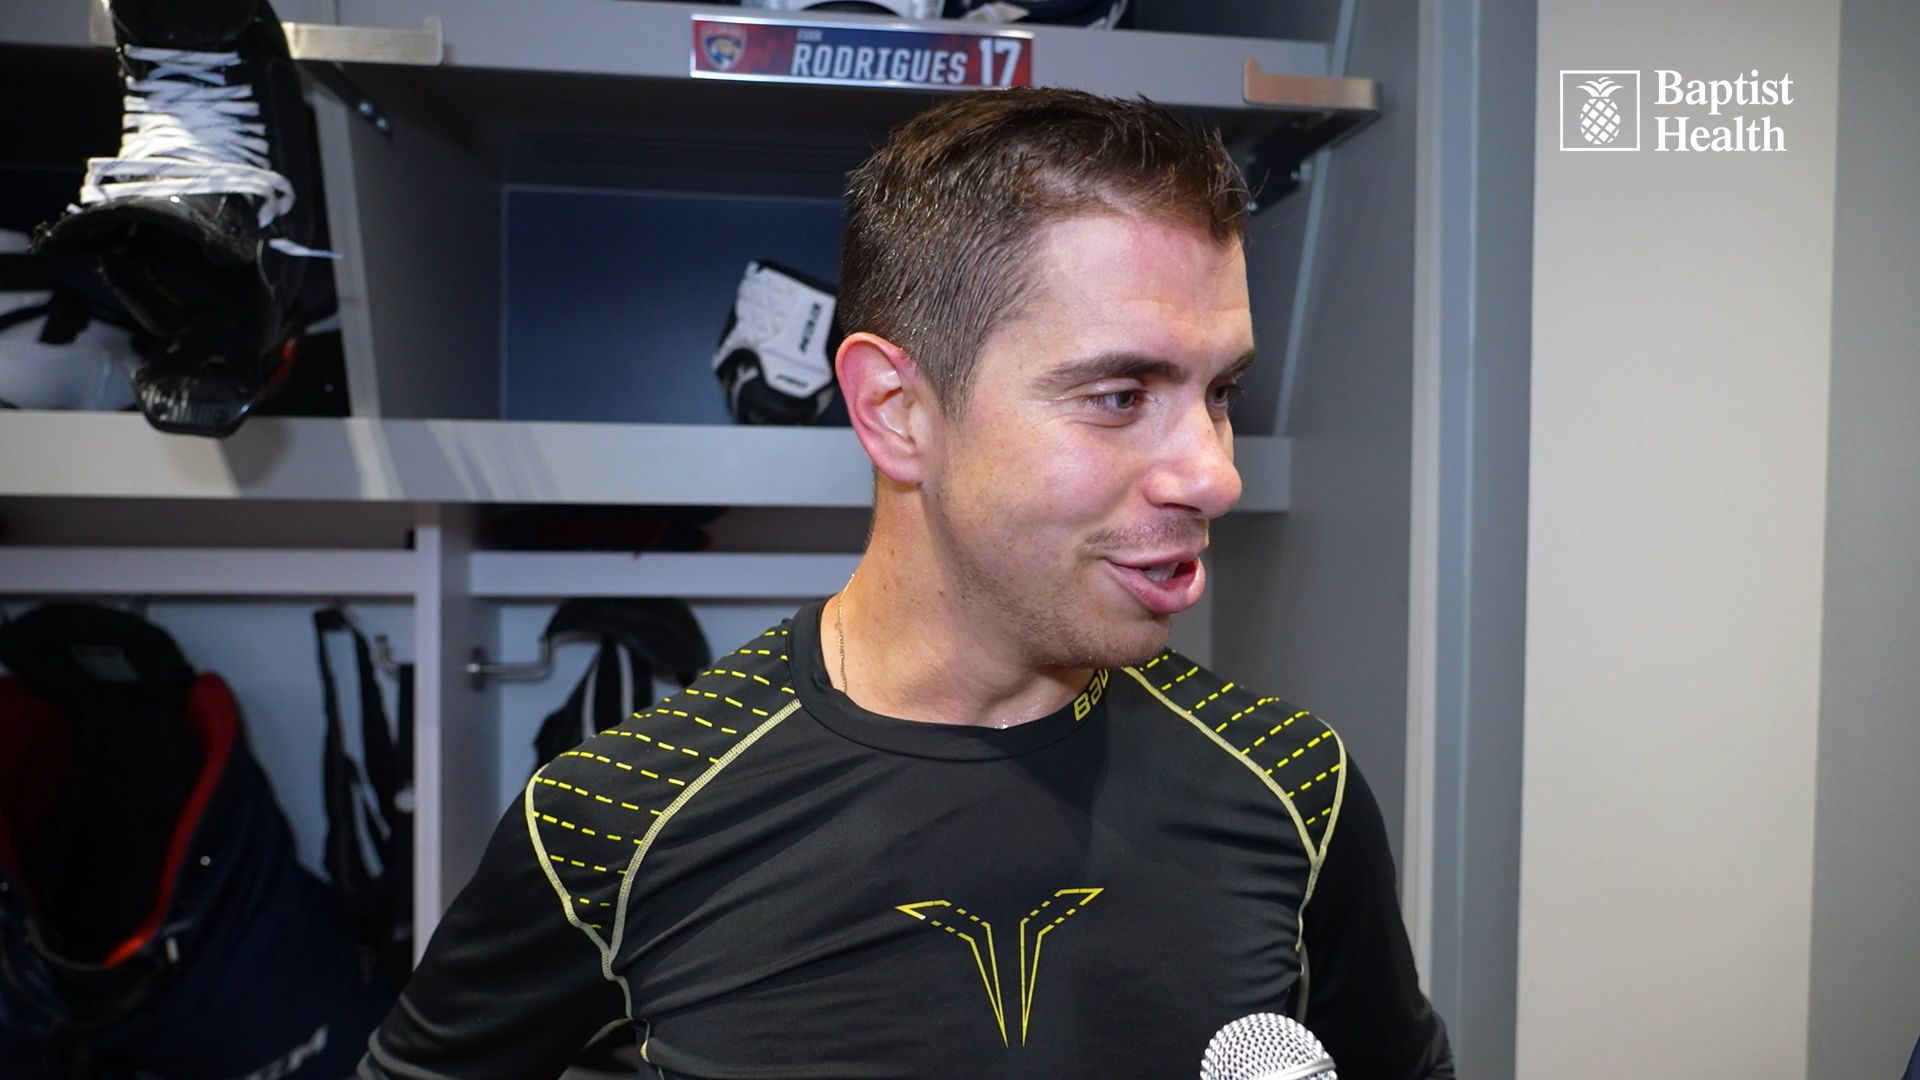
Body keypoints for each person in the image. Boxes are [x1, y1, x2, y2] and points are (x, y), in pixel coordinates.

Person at [356, 88, 1453, 1079]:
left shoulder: (1294, 790)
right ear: (895, 411)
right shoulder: (616, 819)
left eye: (1221, 394)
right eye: (1120, 395)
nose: (1215, 475)